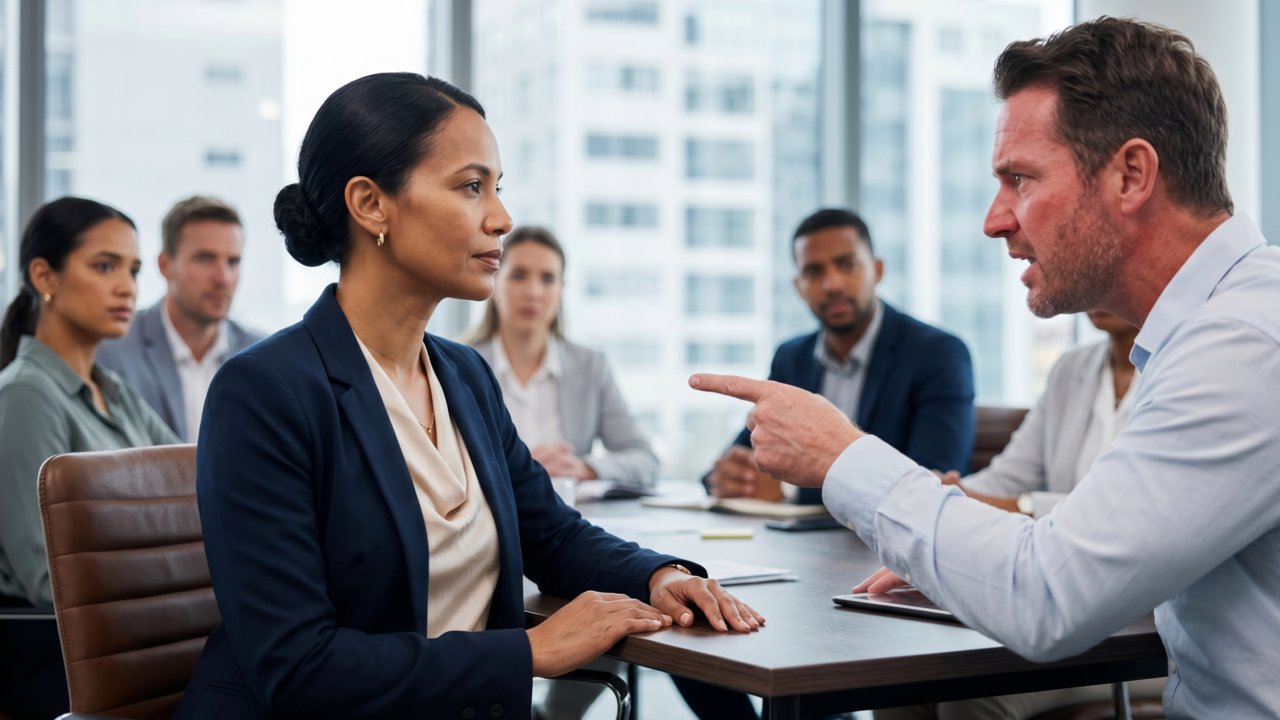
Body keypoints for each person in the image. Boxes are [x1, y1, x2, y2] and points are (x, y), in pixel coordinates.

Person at [691, 17, 1280, 720]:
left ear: (1131, 175)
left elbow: (1047, 598)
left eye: (1020, 180)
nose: (995, 220)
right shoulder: (1215, 333)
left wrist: (841, 455)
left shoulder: (1246, 346)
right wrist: (958, 565)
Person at [172, 73, 763, 720]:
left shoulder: (462, 376)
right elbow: (298, 666)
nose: (502, 219)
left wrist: (662, 577)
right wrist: (527, 653)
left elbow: (553, 536)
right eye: (471, 186)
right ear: (371, 204)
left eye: (497, 188)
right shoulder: (266, 392)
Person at [876, 309, 1167, 719]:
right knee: (901, 681)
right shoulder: (1073, 367)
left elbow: (1132, 511)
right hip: (1073, 610)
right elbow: (1008, 478)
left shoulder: (1182, 369)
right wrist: (943, 496)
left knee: (974, 692)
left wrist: (1023, 508)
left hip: (1155, 637)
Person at [0, 198, 180, 720]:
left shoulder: (114, 392)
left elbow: (193, 497)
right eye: (105, 267)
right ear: (44, 276)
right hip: (54, 652)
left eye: (134, 270)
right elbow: (47, 578)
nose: (128, 287)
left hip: (125, 637)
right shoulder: (24, 396)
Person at [703, 208, 975, 505]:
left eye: (847, 265)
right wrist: (730, 478)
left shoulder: (938, 354)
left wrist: (789, 492)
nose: (832, 284)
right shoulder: (791, 358)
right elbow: (735, 459)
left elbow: (932, 482)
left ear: (878, 270)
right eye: (813, 272)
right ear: (799, 287)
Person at [467, 225, 658, 488]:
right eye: (518, 275)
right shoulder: (457, 366)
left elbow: (644, 460)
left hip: (566, 520)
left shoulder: (591, 366)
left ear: (560, 290)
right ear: (495, 281)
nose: (533, 292)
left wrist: (585, 469)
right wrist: (513, 467)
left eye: (547, 279)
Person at [97, 196, 264, 442]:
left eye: (233, 261)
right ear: (165, 265)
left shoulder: (262, 355)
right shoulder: (112, 349)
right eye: (205, 259)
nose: (224, 277)